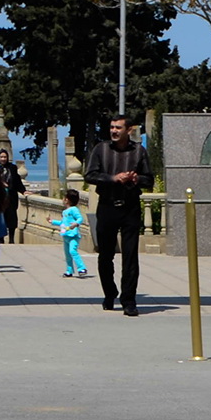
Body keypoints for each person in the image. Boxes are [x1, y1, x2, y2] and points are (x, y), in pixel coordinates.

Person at [84, 115, 154, 316]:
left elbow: (148, 179)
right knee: (105, 255)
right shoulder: (101, 149)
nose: (114, 131)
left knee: (130, 256)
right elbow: (90, 175)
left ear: (129, 130)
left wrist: (135, 178)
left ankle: (129, 300)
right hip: (107, 207)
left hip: (130, 207)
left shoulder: (139, 151)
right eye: (112, 127)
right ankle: (109, 292)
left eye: (118, 128)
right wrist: (113, 178)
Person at [49, 189, 89, 278]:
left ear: (66, 200)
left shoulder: (74, 209)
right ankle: (69, 270)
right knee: (67, 254)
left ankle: (82, 268)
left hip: (73, 235)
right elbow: (62, 223)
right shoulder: (65, 211)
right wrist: (52, 221)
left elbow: (80, 218)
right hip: (66, 235)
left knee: (72, 251)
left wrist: (76, 224)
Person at [0, 144, 26, 244]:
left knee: (12, 218)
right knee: (0, 219)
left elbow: (17, 181)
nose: (3, 159)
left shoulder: (12, 168)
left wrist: (23, 191)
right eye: (1, 157)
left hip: (11, 197)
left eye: (5, 157)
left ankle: (11, 239)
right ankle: (1, 239)